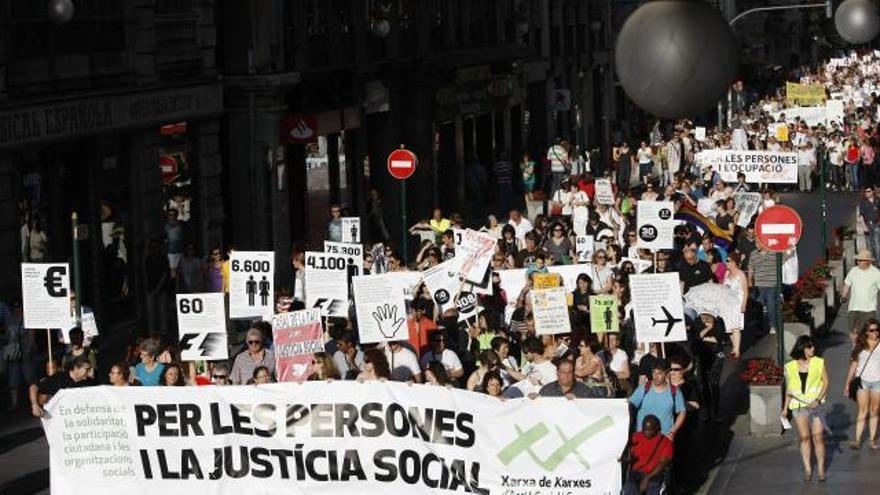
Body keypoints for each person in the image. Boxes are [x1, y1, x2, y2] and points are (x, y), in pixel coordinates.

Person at [782, 335, 829, 481]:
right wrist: (784, 408)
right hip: (798, 405)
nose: (813, 349)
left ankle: (821, 469)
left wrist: (818, 399)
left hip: (817, 404)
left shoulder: (819, 362)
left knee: (818, 437)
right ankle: (808, 470)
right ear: (802, 348)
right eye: (810, 347)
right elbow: (789, 389)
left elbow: (826, 382)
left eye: (813, 346)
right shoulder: (790, 366)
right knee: (804, 438)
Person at [844, 319, 880, 450]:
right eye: (872, 330)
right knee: (862, 411)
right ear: (866, 331)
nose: (875, 333)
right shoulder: (860, 345)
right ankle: (857, 440)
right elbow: (853, 365)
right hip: (862, 382)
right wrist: (847, 383)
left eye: (877, 330)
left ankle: (872, 440)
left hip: (878, 382)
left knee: (875, 411)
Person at [629, 359, 687, 439]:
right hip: (643, 438)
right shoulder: (644, 388)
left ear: (667, 373)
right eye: (653, 372)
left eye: (659, 373)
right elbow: (630, 406)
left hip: (664, 439)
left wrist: (673, 431)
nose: (655, 376)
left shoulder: (675, 392)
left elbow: (682, 412)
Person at [623, 415, 674, 495]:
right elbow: (629, 454)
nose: (646, 432)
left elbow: (663, 463)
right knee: (630, 485)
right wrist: (627, 459)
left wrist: (648, 477)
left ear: (657, 429)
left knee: (653, 486)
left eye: (650, 430)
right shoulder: (636, 437)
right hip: (637, 472)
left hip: (655, 473)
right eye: (644, 429)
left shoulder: (666, 442)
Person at [842, 249, 880, 340]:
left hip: (869, 309)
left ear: (868, 261)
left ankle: (867, 352)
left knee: (868, 334)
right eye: (858, 260)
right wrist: (843, 296)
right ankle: (855, 350)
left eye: (860, 260)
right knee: (853, 332)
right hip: (853, 308)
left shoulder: (876, 273)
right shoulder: (853, 270)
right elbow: (847, 284)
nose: (858, 262)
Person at [859, 187, 880, 262]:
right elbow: (861, 215)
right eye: (865, 191)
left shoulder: (877, 201)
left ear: (873, 192)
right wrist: (863, 226)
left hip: (876, 224)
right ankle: (871, 262)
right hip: (867, 225)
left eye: (868, 191)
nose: (866, 193)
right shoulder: (863, 202)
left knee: (877, 244)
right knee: (869, 245)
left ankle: (878, 263)